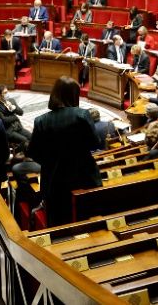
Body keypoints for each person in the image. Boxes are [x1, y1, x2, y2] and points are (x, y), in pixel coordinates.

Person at [28, 77, 102, 226]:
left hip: (54, 180)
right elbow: (95, 143)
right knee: (88, 220)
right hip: (84, 176)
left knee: (59, 223)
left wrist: (51, 160)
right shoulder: (82, 115)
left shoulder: (40, 121)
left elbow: (33, 152)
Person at [0, 84, 30, 152]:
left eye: (7, 92)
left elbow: (21, 113)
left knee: (31, 136)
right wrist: (14, 117)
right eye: (5, 93)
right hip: (9, 130)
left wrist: (14, 108)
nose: (7, 94)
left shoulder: (11, 100)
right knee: (24, 140)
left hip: (18, 127)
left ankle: (30, 154)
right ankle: (17, 155)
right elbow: (4, 120)